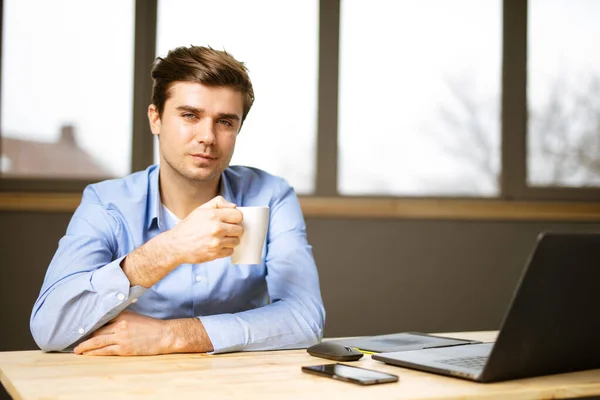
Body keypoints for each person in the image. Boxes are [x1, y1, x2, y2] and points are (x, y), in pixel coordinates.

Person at [30, 45, 325, 356]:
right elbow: (50, 329)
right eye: (190, 115)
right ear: (155, 119)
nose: (208, 137)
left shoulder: (269, 196)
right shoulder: (106, 204)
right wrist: (169, 248)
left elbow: (305, 318)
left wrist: (174, 335)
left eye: (225, 122)